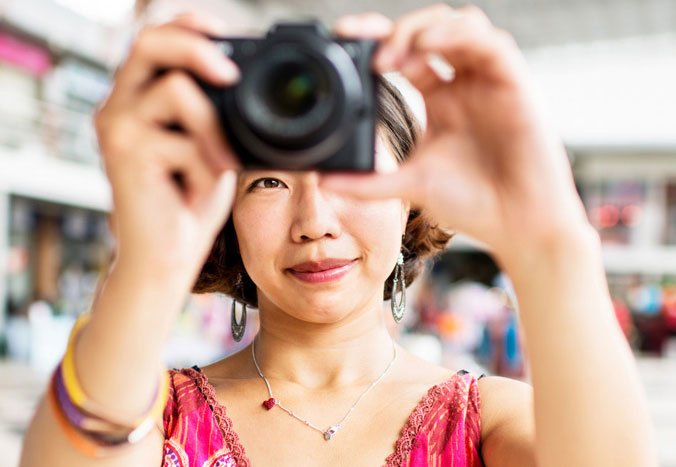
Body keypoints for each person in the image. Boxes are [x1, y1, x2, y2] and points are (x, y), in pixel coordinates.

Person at [20, 5, 658, 467]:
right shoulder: (154, 417)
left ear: (410, 194)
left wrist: (550, 241)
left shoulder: (489, 421)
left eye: (350, 174)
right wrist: (147, 263)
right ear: (225, 215)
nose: (315, 220)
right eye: (267, 183)